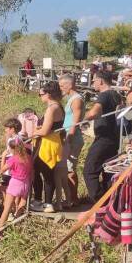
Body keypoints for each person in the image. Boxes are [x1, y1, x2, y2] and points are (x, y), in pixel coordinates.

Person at [82, 70, 122, 204]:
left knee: (89, 170)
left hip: (104, 138)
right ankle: (111, 201)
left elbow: (95, 111)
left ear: (100, 81)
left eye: (94, 80)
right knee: (107, 171)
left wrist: (82, 118)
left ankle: (100, 202)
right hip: (114, 139)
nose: (92, 83)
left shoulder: (104, 95)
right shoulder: (116, 95)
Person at [30, 81, 64, 213]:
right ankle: (44, 201)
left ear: (48, 94)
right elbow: (52, 127)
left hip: (47, 145)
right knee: (45, 172)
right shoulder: (59, 106)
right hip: (53, 142)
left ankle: (45, 202)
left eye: (41, 94)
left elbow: (45, 131)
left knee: (42, 172)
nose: (40, 96)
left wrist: (35, 132)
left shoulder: (51, 108)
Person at [0, 138, 33, 235]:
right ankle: (16, 220)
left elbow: (2, 170)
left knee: (6, 208)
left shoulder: (13, 159)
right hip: (26, 183)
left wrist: (3, 157)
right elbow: (32, 172)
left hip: (15, 183)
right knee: (22, 203)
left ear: (13, 149)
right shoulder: (28, 157)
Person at [59, 73, 84, 208]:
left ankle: (73, 199)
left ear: (70, 84)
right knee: (67, 169)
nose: (61, 88)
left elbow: (75, 122)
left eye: (62, 86)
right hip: (68, 136)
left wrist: (68, 140)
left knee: (69, 169)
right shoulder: (71, 98)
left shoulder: (77, 100)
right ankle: (70, 197)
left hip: (72, 138)